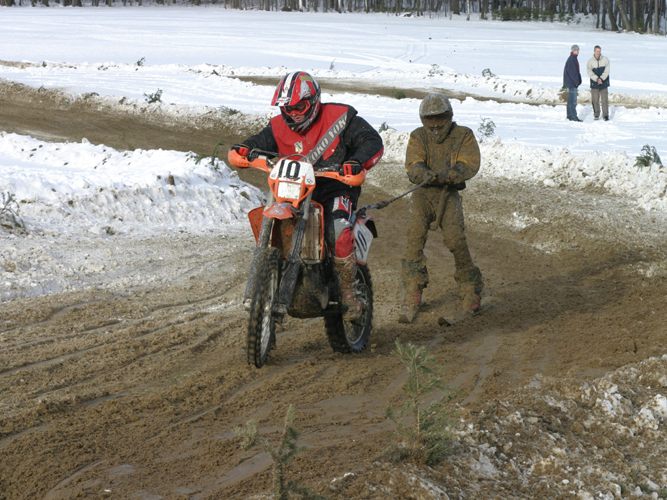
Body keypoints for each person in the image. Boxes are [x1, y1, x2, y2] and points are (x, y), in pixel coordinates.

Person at [230, 71, 383, 321]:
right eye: (287, 108)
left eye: (299, 107)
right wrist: (245, 149)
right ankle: (274, 272)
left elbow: (371, 141)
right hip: (293, 189)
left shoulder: (341, 118)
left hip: (335, 187)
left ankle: (349, 293)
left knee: (338, 230)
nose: (294, 114)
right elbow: (259, 141)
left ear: (313, 101)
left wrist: (356, 161)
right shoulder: (278, 126)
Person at [399, 93, 483, 324]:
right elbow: (413, 163)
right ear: (422, 119)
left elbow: (470, 162)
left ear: (449, 116)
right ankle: (412, 290)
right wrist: (423, 173)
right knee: (414, 240)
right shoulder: (418, 136)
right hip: (422, 195)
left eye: (440, 118)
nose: (435, 125)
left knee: (456, 241)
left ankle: (471, 289)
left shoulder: (463, 135)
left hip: (449, 194)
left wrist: (453, 174)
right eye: (430, 119)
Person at [587, 45, 610, 121]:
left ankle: (605, 115)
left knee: (604, 100)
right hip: (594, 83)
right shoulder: (590, 61)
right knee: (595, 100)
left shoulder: (605, 60)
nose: (598, 52)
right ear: (594, 51)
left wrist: (601, 78)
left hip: (604, 82)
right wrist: (596, 79)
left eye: (599, 51)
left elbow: (607, 71)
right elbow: (589, 72)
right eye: (597, 51)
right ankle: (596, 114)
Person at [563, 44, 583, 122]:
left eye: (578, 50)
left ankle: (569, 116)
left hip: (571, 83)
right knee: (573, 101)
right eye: (575, 50)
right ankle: (573, 117)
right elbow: (573, 73)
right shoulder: (571, 59)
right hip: (572, 83)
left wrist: (579, 80)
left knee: (570, 101)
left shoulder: (573, 58)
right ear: (572, 51)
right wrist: (577, 82)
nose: (577, 51)